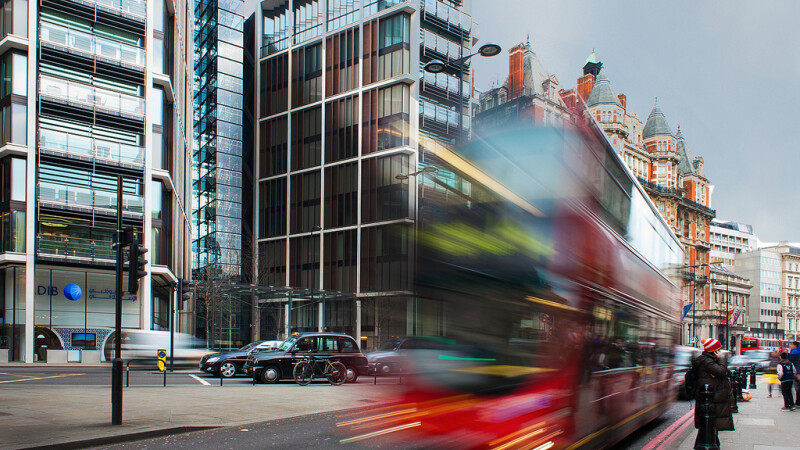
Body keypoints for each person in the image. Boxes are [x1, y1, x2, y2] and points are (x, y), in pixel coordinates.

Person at [692, 338, 733, 449]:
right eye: (718, 350)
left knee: (710, 425)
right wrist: (722, 360)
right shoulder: (707, 361)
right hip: (711, 398)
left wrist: (722, 371)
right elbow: (721, 371)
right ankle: (709, 445)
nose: (719, 352)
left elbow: (725, 372)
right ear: (714, 351)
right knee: (709, 424)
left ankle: (709, 445)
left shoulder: (709, 361)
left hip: (713, 398)